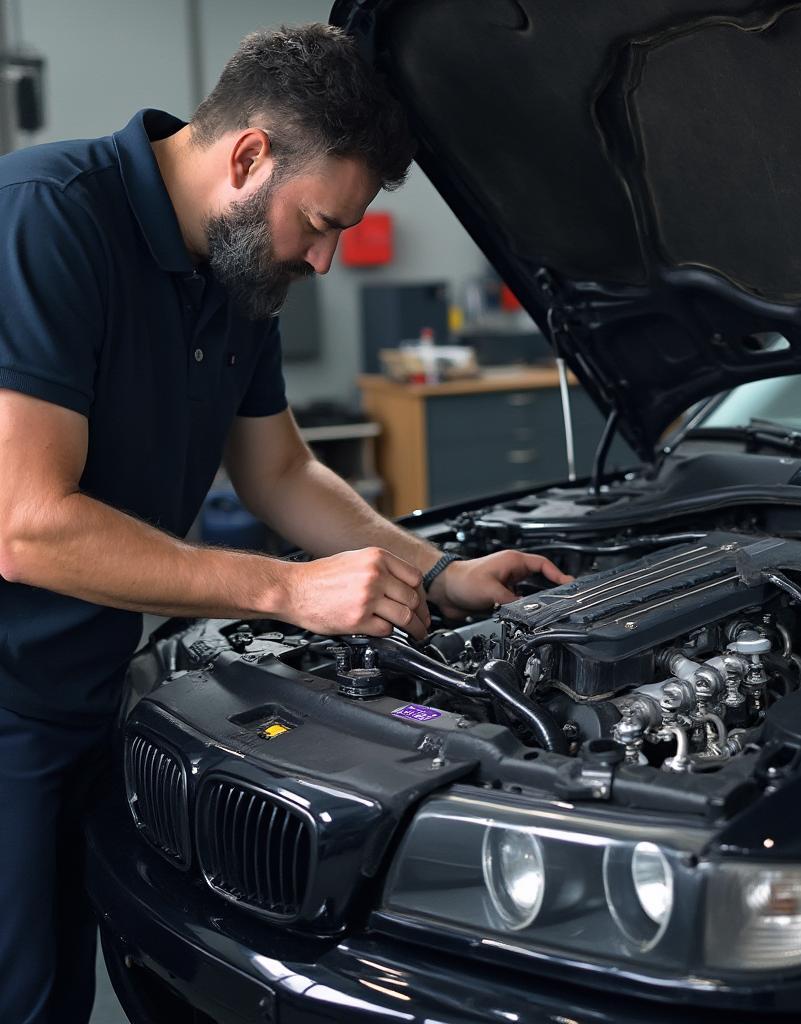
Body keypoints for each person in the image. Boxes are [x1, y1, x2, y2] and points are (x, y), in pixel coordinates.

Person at [0, 23, 570, 1024]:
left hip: (93, 684)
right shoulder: (47, 222)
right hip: (8, 702)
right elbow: (27, 524)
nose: (324, 257)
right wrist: (283, 587)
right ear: (250, 156)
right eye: (318, 222)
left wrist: (438, 572)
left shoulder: (236, 280)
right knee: (30, 992)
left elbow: (280, 469)